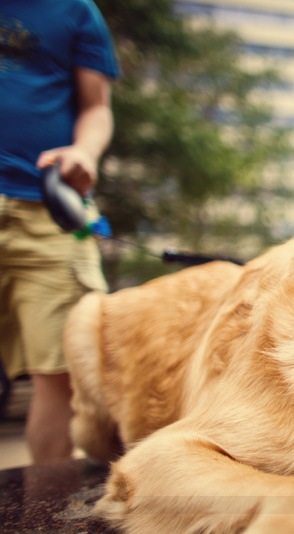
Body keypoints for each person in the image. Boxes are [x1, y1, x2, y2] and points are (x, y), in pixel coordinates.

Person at [0, 0, 119, 463]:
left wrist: (85, 152)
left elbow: (96, 107)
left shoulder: (74, 10)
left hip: (47, 212)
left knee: (69, 373)